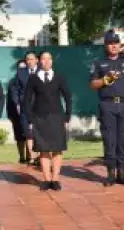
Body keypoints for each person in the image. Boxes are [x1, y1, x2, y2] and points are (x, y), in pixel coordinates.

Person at [90, 30, 124, 187]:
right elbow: (92, 84)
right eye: (110, 43)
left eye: (116, 43)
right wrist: (106, 79)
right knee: (109, 139)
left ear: (120, 45)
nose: (113, 46)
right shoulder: (99, 63)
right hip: (108, 105)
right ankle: (111, 174)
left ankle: (122, 173)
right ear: (106, 45)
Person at [23, 51, 72, 191]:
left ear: (52, 61)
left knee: (57, 149)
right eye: (43, 58)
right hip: (39, 118)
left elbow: (68, 97)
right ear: (39, 61)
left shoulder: (59, 77)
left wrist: (67, 117)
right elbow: (26, 100)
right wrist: (30, 118)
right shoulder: (32, 78)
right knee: (43, 150)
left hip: (57, 117)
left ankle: (55, 179)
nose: (46, 61)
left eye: (49, 58)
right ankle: (46, 179)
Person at [12, 51, 39, 166]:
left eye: (32, 59)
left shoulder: (42, 71)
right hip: (24, 106)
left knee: (38, 131)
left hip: (40, 106)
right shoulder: (20, 72)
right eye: (27, 59)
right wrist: (17, 103)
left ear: (36, 60)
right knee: (28, 132)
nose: (29, 61)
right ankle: (32, 158)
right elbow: (15, 89)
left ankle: (39, 156)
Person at [7, 60, 27, 163]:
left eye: (24, 68)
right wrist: (10, 114)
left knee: (29, 136)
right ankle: (22, 157)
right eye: (20, 68)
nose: (22, 70)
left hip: (28, 114)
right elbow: (9, 99)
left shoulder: (31, 80)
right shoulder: (12, 82)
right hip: (16, 114)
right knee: (19, 137)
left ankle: (30, 157)